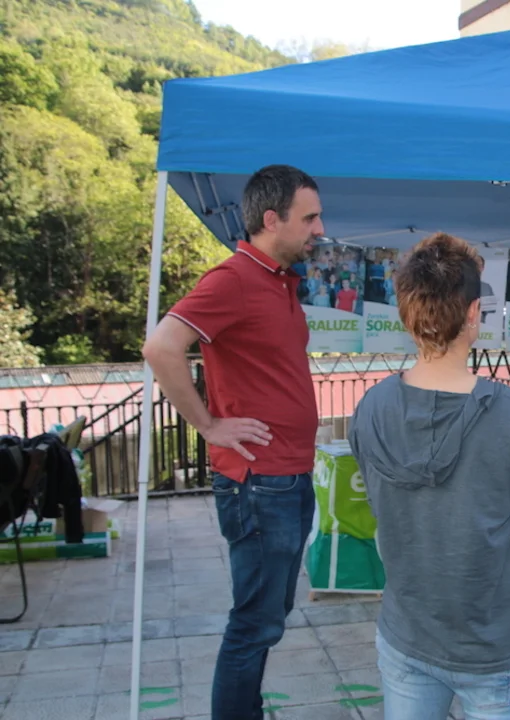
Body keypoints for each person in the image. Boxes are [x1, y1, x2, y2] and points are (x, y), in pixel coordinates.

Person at [349, 232, 510, 720]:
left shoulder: (371, 408)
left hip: (409, 633)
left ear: (406, 315)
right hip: (497, 643)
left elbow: (387, 511)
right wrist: (492, 572)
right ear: (473, 313)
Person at [141, 164, 324, 720]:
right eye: (309, 218)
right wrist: (209, 425)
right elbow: (161, 348)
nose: (319, 229)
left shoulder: (279, 280)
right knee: (254, 623)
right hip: (260, 482)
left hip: (286, 476)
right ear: (271, 219)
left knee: (269, 615)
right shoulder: (234, 279)